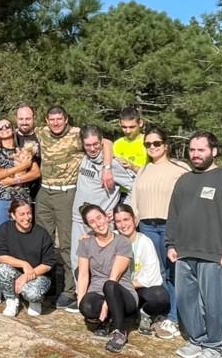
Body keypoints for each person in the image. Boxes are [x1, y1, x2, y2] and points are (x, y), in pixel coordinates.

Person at [166, 131, 222, 358]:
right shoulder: (184, 180)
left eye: (201, 150)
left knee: (214, 304)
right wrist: (171, 243)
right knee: (186, 301)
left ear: (214, 151)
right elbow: (173, 214)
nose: (195, 154)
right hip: (184, 253)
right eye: (192, 150)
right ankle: (197, 339)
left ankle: (214, 346)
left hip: (214, 254)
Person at [35, 106, 114, 313]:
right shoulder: (41, 132)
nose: (55, 123)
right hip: (45, 191)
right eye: (52, 119)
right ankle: (46, 285)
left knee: (68, 244)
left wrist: (106, 168)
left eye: (59, 119)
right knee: (43, 241)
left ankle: (70, 290)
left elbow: (106, 142)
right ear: (46, 120)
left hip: (66, 193)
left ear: (66, 119)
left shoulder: (77, 134)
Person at [131, 126, 189, 339]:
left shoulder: (179, 168)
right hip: (147, 226)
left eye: (156, 143)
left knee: (174, 273)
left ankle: (174, 317)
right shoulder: (144, 170)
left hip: (169, 226)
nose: (152, 147)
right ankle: (162, 313)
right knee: (157, 273)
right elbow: (135, 199)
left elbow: (188, 198)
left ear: (165, 145)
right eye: (148, 144)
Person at [70, 124, 135, 267]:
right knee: (77, 261)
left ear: (101, 142)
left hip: (101, 222)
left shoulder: (113, 165)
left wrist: (121, 209)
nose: (92, 149)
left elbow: (134, 186)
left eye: (95, 144)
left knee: (102, 263)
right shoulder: (84, 158)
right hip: (79, 220)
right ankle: (80, 290)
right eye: (88, 145)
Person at [76, 203, 137, 354]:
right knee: (86, 306)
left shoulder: (122, 242)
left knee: (109, 286)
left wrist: (106, 303)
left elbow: (114, 277)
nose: (98, 223)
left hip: (121, 292)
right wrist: (81, 304)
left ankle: (120, 331)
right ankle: (106, 320)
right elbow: (83, 275)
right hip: (98, 291)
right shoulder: (86, 243)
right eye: (92, 222)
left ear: (106, 217)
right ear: (88, 225)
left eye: (99, 217)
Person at [112, 204, 170, 336]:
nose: (123, 225)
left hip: (138, 288)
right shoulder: (112, 238)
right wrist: (87, 236)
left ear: (135, 220)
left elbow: (152, 278)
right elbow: (95, 239)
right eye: (118, 221)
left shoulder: (145, 242)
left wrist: (126, 284)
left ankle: (145, 312)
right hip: (117, 289)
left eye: (126, 220)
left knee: (160, 296)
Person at [0, 198, 54, 317]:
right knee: (2, 269)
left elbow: (48, 264)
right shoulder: (5, 229)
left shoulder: (41, 233)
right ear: (13, 215)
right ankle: (12, 300)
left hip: (38, 275)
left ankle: (35, 301)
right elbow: (1, 256)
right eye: (22, 214)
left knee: (32, 293)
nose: (27, 218)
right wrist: (24, 264)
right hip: (16, 271)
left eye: (29, 213)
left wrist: (26, 277)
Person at [0, 117, 36, 244]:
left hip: (22, 200)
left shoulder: (23, 150)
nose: (4, 129)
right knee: (0, 238)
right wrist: (22, 167)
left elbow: (35, 172)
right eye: (1, 127)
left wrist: (14, 180)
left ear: (13, 129)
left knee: (23, 238)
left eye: (7, 126)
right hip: (1, 200)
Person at [14, 105, 43, 206]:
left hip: (38, 191)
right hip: (16, 191)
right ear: (16, 119)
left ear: (34, 119)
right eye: (21, 119)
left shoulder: (41, 137)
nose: (24, 122)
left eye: (28, 119)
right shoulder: (10, 137)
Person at [113, 106, 147, 174]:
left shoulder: (149, 142)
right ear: (119, 123)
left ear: (140, 123)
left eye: (132, 127)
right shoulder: (117, 144)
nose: (128, 131)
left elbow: (154, 172)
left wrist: (133, 167)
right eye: (124, 127)